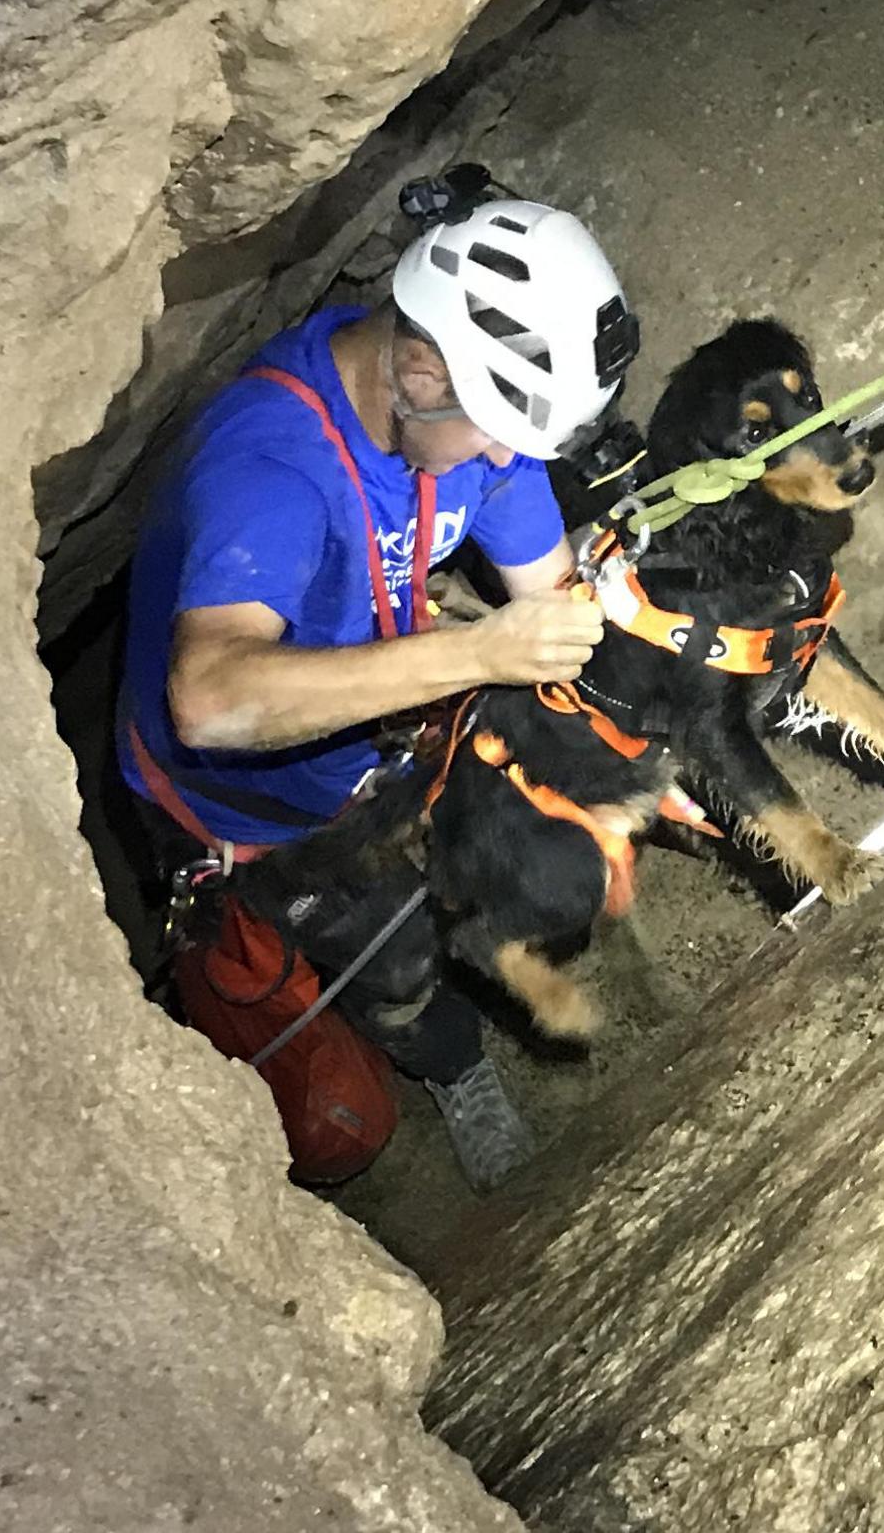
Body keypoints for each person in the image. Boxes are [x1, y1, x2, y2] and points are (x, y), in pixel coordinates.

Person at [116, 181, 638, 1188]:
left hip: (396, 734)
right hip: (265, 810)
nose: (505, 460)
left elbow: (547, 582)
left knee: (521, 859)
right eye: (495, 434)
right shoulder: (270, 468)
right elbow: (210, 700)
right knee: (391, 965)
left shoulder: (470, 418)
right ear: (417, 367)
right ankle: (451, 1064)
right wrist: (481, 656)